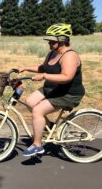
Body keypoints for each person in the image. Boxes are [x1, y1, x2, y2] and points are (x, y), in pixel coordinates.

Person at [18, 23, 85, 156]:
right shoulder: (52, 53)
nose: (49, 42)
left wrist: (44, 76)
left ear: (61, 40)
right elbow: (43, 68)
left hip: (68, 93)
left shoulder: (69, 56)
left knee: (37, 110)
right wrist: (25, 67)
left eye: (52, 40)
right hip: (53, 89)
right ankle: (48, 126)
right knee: (30, 101)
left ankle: (37, 145)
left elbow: (67, 77)